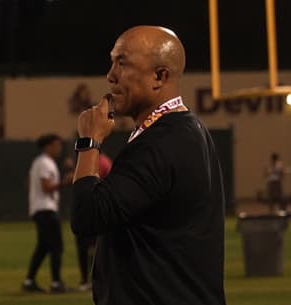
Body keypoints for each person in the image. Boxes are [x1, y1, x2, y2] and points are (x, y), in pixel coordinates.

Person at [71, 26, 226, 305]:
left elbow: (87, 215)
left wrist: (89, 141)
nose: (110, 75)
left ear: (159, 76)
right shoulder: (183, 129)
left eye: (122, 63)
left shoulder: (161, 142)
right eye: (112, 62)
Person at [22, 134, 72, 293]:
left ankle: (29, 281)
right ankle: (56, 283)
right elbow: (45, 187)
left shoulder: (39, 162)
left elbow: (28, 183)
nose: (59, 148)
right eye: (56, 145)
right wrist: (65, 181)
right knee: (56, 246)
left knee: (43, 247)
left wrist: (34, 197)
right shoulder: (45, 163)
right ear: (48, 146)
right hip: (46, 209)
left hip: (39, 208)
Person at [73, 153, 112, 291]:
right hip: (104, 210)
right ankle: (94, 280)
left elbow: (89, 184)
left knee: (88, 248)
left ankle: (88, 281)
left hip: (96, 209)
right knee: (96, 248)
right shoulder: (104, 160)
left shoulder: (96, 161)